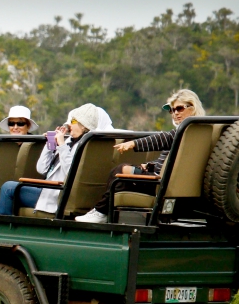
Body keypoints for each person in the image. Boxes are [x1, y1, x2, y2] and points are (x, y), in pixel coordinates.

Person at [75, 89, 205, 223]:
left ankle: (101, 212)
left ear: (193, 107)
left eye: (179, 108)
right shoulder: (196, 132)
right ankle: (102, 212)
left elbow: (163, 138)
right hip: (163, 179)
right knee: (122, 175)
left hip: (161, 184)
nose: (175, 113)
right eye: (172, 110)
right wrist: (149, 165)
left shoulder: (186, 131)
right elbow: (172, 159)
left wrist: (133, 144)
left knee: (121, 171)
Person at [0, 103, 100, 216]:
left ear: (83, 125)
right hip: (50, 190)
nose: (69, 125)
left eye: (73, 121)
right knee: (9, 187)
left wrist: (61, 144)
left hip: (57, 194)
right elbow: (42, 169)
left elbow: (71, 173)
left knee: (8, 188)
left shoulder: (84, 144)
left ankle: (0, 227)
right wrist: (50, 145)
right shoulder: (69, 141)